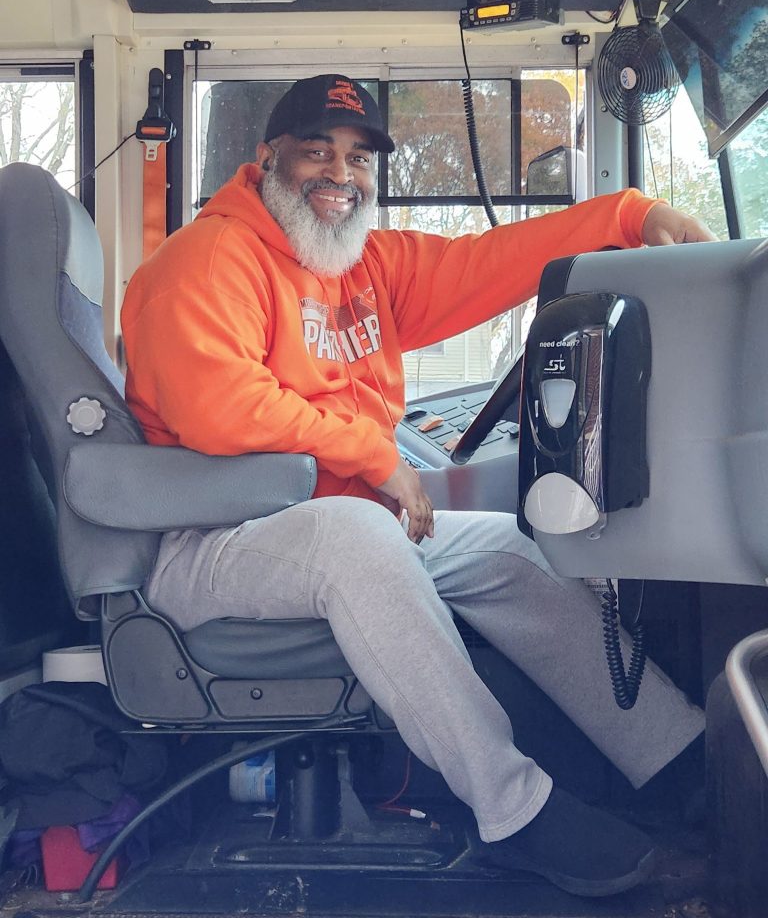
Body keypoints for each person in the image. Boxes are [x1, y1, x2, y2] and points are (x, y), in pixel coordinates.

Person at [122, 74, 712, 898]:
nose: (341, 173)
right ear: (265, 161)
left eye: (360, 157)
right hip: (209, 542)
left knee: (508, 546)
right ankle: (516, 812)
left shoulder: (364, 265)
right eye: (316, 151)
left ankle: (687, 765)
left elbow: (489, 261)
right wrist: (373, 453)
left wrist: (627, 216)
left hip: (316, 522)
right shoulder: (208, 258)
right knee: (358, 536)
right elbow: (216, 409)